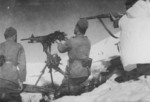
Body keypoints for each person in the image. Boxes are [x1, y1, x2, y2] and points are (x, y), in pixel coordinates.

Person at [111, 0, 150, 82]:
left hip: (134, 63)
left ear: (130, 5)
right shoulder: (147, 7)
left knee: (123, 42)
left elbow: (115, 23)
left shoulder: (124, 19)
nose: (125, 8)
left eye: (126, 6)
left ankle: (130, 72)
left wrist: (115, 18)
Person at [57, 19, 92, 95]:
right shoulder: (87, 40)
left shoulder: (71, 41)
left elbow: (61, 49)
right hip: (85, 73)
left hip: (74, 75)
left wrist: (59, 42)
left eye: (75, 26)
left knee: (60, 93)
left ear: (77, 28)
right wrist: (67, 41)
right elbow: (76, 46)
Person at [0, 27, 26, 102]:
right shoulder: (19, 46)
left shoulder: (0, 46)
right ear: (14, 36)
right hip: (12, 81)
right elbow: (22, 65)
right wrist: (21, 80)